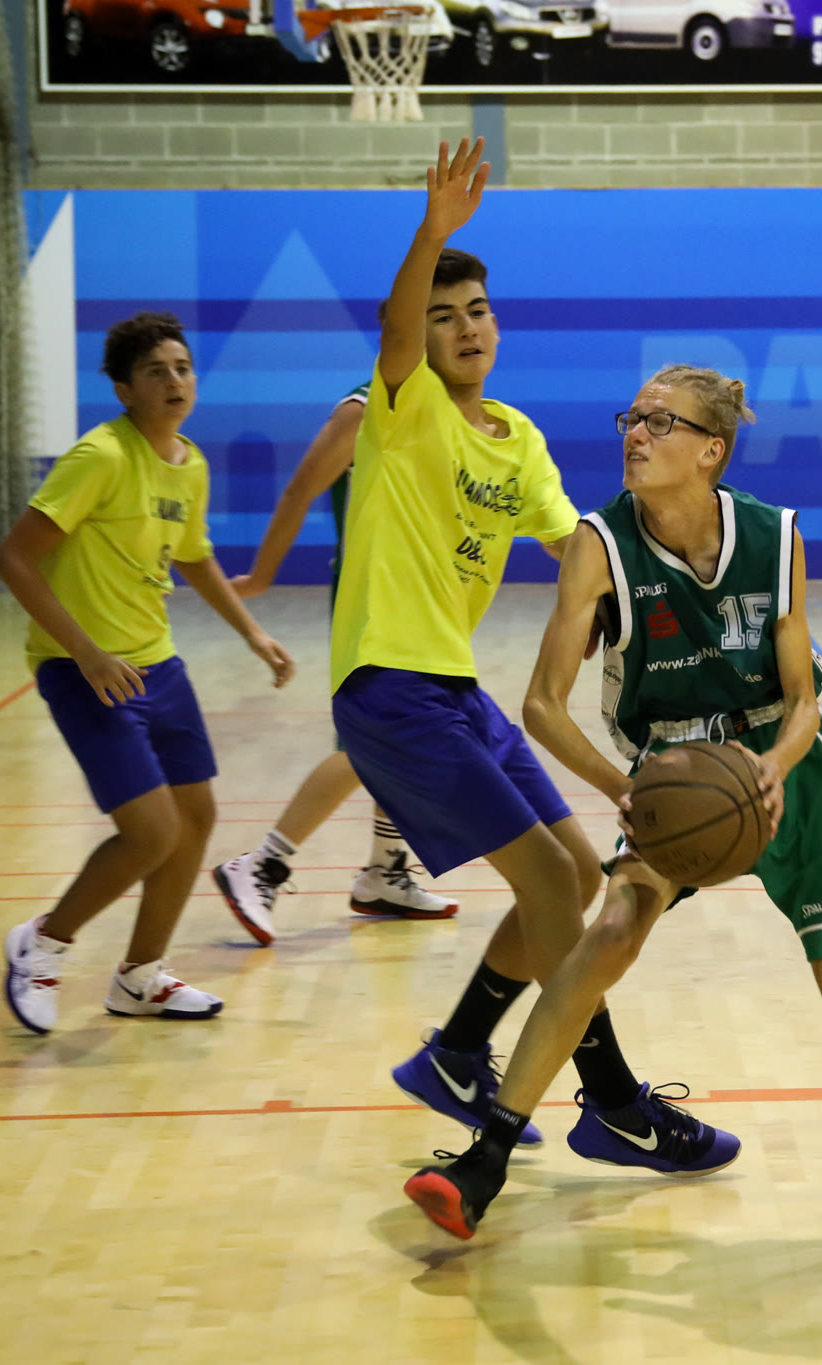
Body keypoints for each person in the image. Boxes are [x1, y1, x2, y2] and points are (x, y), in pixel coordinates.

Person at [401, 366, 822, 1240]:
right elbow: (542, 705)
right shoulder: (600, 544)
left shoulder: (774, 536)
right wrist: (622, 785)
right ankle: (485, 1160)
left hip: (790, 771)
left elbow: (803, 699)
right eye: (632, 417)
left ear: (711, 451)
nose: (636, 433)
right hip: (675, 772)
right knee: (608, 932)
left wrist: (774, 765)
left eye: (662, 422)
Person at [336, 139, 718, 1161]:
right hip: (389, 685)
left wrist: (676, 594)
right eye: (443, 316)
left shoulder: (517, 437)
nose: (466, 328)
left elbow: (576, 550)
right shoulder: (403, 408)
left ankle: (459, 1052)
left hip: (455, 691)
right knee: (550, 882)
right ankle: (612, 1099)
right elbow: (394, 332)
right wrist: (432, 233)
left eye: (478, 311)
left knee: (575, 872)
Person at [0, 310, 294, 1034]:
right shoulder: (100, 457)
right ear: (125, 390)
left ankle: (140, 977)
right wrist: (86, 652)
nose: (175, 381)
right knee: (152, 831)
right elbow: (13, 558)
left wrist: (252, 632)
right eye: (156, 372)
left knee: (195, 819)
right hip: (85, 670)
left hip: (159, 665)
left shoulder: (190, 464)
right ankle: (44, 945)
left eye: (183, 368)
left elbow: (193, 555)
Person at [210, 381, 459, 947]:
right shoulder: (364, 410)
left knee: (409, 741)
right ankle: (262, 864)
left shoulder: (455, 415)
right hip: (370, 603)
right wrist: (263, 575)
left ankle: (385, 872)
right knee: (367, 747)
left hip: (426, 602)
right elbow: (300, 489)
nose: (467, 337)